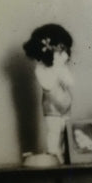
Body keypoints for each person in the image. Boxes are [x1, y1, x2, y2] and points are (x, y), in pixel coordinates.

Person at [22, 24, 73, 161]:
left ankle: (63, 156)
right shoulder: (41, 70)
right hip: (52, 107)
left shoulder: (61, 68)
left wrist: (61, 68)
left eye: (65, 50)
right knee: (54, 131)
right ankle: (53, 154)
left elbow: (70, 82)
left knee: (65, 133)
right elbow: (48, 85)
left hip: (65, 106)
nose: (65, 54)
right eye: (60, 51)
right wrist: (56, 68)